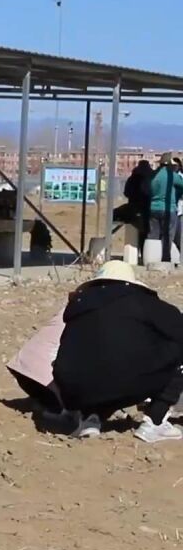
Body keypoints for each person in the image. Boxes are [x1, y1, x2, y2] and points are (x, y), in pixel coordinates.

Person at [52, 260, 183, 443]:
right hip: (127, 382)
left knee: (97, 358)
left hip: (72, 391)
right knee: (176, 350)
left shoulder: (79, 306)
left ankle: (90, 419)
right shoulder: (142, 302)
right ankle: (155, 422)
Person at [148, 153, 183, 259]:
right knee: (167, 235)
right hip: (168, 209)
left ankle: (151, 258)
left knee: (154, 235)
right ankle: (165, 259)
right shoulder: (170, 174)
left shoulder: (154, 175)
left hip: (153, 208)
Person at [123, 159, 153, 259]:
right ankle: (147, 256)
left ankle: (136, 254)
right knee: (147, 232)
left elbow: (126, 192)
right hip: (148, 208)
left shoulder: (132, 178)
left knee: (135, 231)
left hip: (133, 208)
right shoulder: (152, 177)